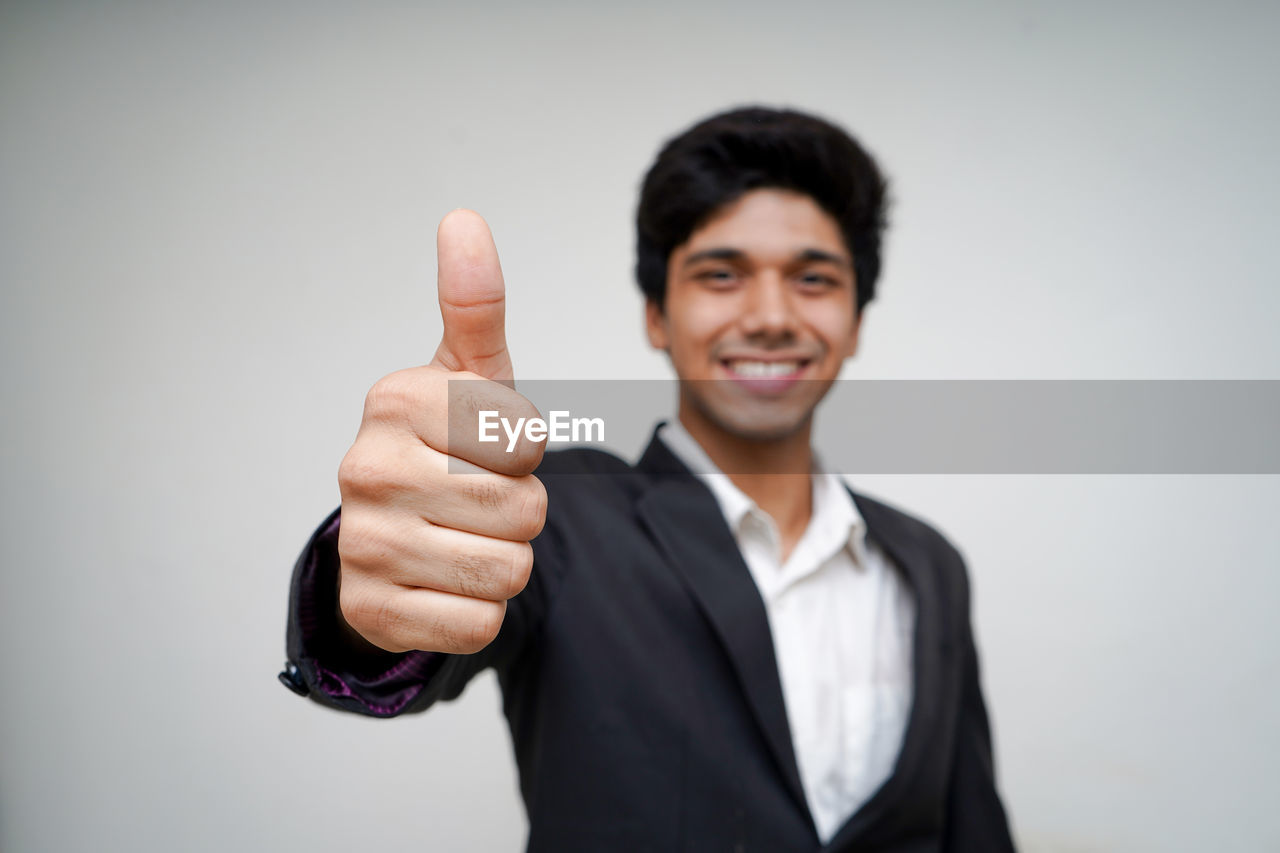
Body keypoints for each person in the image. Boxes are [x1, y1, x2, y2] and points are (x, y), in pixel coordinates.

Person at [279, 106, 1017, 851]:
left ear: (856, 319)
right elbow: (405, 626)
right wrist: (370, 599)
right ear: (657, 315)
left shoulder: (930, 564)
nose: (769, 315)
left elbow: (971, 825)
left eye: (814, 278)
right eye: (721, 274)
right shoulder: (554, 515)